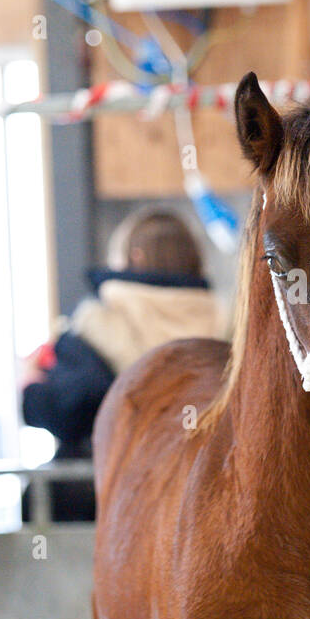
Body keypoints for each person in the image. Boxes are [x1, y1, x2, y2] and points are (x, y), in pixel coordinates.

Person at [21, 206, 224, 521]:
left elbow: (67, 410)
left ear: (136, 257)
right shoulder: (228, 322)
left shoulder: (100, 320)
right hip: (202, 501)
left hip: (112, 506)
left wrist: (31, 384)